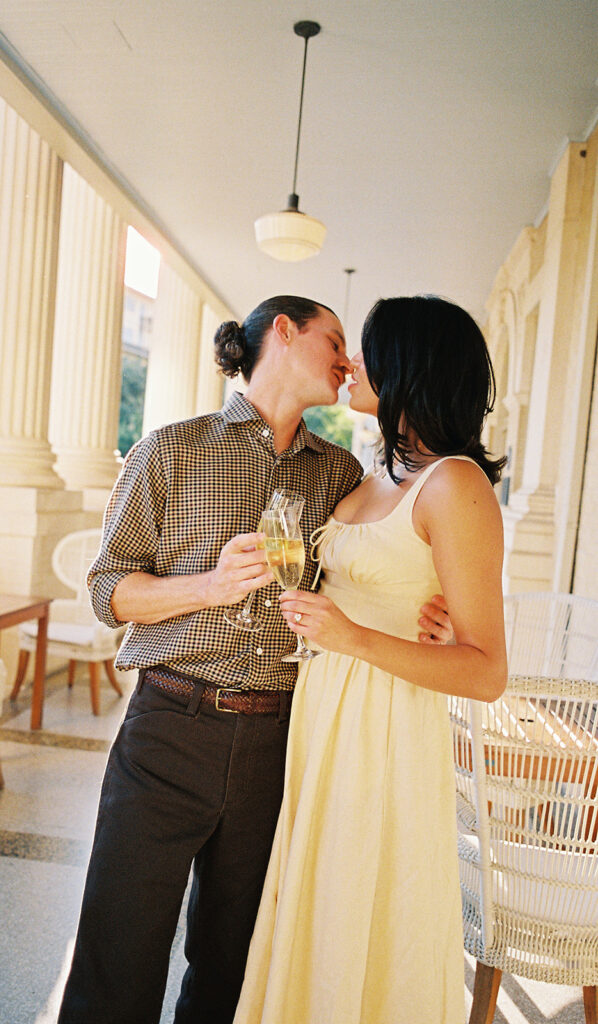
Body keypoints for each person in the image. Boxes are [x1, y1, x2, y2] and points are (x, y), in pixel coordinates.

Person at [57, 295, 452, 1024]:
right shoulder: (172, 449)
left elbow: (376, 567)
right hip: (169, 729)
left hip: (282, 739)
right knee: (120, 946)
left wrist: (434, 610)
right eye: (335, 339)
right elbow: (108, 589)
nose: (346, 359)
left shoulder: (340, 476)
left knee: (235, 960)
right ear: (284, 331)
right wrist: (207, 586)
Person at [232, 295, 508, 1024]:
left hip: (383, 732)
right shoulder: (370, 477)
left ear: (409, 366)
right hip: (322, 720)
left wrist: (355, 637)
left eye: (369, 349)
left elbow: (487, 671)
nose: (351, 362)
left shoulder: (456, 484)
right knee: (316, 901)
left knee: (361, 905)